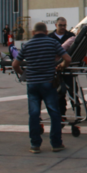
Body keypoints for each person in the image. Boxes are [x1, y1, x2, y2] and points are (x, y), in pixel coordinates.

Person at [13, 22, 71, 154]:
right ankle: (56, 143)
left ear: (33, 32)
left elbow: (15, 64)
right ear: (46, 32)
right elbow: (67, 58)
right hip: (48, 83)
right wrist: (61, 66)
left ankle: (35, 145)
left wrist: (23, 74)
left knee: (34, 114)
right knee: (54, 113)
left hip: (32, 84)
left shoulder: (27, 45)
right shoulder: (52, 42)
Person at [49, 17, 77, 119]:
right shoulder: (50, 37)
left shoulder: (70, 36)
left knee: (73, 91)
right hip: (56, 69)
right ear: (56, 25)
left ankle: (77, 112)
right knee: (59, 94)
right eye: (60, 25)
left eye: (64, 25)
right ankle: (62, 115)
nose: (62, 27)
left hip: (68, 67)